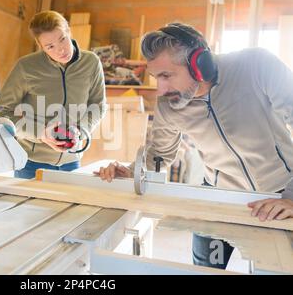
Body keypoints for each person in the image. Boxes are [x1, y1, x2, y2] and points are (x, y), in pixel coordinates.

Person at [95, 22, 293, 270]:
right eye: (156, 77)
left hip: (277, 193)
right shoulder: (169, 102)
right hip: (220, 195)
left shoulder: (256, 67)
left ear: (200, 65)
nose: (161, 88)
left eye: (167, 76)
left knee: (273, 268)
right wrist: (132, 171)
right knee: (203, 270)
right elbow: (159, 154)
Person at [0, 11, 106, 179]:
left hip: (72, 161)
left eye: (62, 39)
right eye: (50, 46)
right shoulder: (26, 67)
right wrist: (41, 133)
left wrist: (80, 130)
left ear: (68, 31)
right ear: (41, 46)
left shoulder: (91, 63)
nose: (61, 50)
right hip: (31, 163)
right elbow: (1, 112)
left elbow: (97, 104)